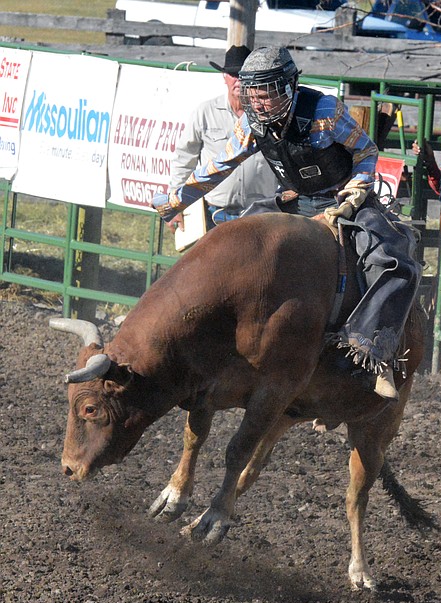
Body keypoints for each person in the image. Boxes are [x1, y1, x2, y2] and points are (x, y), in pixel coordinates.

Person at [152, 46, 422, 401]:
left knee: (393, 261)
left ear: (287, 87)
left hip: (345, 200)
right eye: (253, 95)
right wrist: (175, 201)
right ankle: (216, 338)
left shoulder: (324, 112)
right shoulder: (251, 124)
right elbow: (218, 166)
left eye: (265, 94)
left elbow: (366, 151)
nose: (259, 103)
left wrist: (357, 189)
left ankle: (375, 352)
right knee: (234, 242)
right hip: (292, 200)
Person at [168, 45, 277, 232]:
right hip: (214, 213)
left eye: (243, 75)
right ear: (224, 77)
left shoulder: (270, 116)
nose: (238, 81)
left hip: (260, 215)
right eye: (233, 75)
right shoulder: (205, 113)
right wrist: (176, 205)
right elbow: (184, 159)